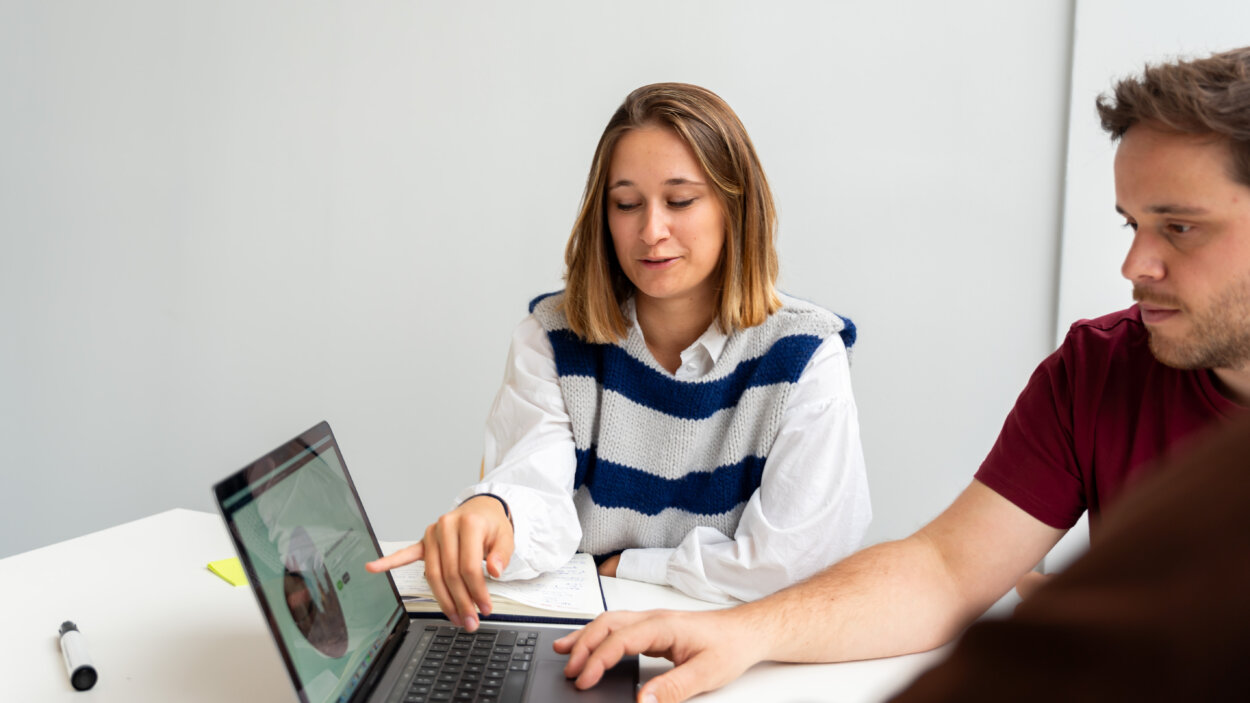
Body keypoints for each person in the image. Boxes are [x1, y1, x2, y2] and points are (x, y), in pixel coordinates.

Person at [555, 48, 1250, 703]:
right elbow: (945, 572)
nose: (1135, 265)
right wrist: (743, 633)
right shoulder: (1100, 368)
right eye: (1131, 225)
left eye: (1180, 228)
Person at [367, 83, 872, 633]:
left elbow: (798, 561)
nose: (652, 232)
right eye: (626, 204)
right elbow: (536, 498)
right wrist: (494, 514)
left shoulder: (804, 356)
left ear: (736, 207)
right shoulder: (553, 339)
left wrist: (636, 566)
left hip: (740, 654)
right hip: (584, 639)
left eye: (680, 201)